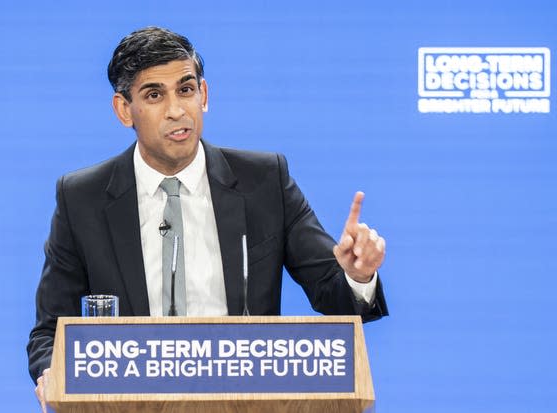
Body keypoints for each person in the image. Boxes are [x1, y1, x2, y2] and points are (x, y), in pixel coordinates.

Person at [28, 26, 388, 411]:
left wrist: (358, 274)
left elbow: (337, 298)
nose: (176, 110)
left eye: (186, 89)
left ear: (204, 94)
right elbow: (49, 332)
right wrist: (54, 373)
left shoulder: (264, 181)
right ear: (123, 109)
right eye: (154, 95)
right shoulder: (82, 198)